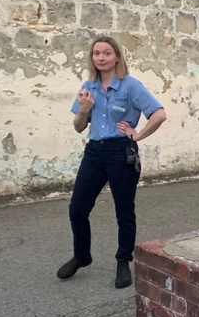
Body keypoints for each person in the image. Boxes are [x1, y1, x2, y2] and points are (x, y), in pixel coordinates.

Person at [57, 35, 167, 289]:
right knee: (77, 209)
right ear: (92, 58)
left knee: (124, 210)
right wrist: (84, 109)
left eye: (107, 53)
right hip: (95, 152)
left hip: (121, 152)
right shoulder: (89, 85)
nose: (101, 58)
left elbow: (159, 114)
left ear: (116, 56)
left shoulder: (130, 86)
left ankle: (122, 260)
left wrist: (137, 135)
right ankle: (82, 256)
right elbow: (78, 127)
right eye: (97, 53)